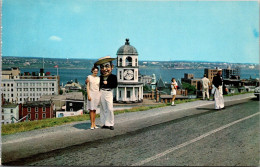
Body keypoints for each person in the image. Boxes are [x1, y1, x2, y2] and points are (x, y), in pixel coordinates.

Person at [94, 56, 118, 130]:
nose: (104, 69)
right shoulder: (100, 77)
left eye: (107, 66)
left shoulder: (113, 77)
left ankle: (110, 123)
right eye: (102, 67)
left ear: (111, 67)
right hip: (102, 92)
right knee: (103, 108)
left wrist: (107, 83)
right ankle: (104, 123)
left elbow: (115, 85)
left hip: (108, 92)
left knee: (110, 108)